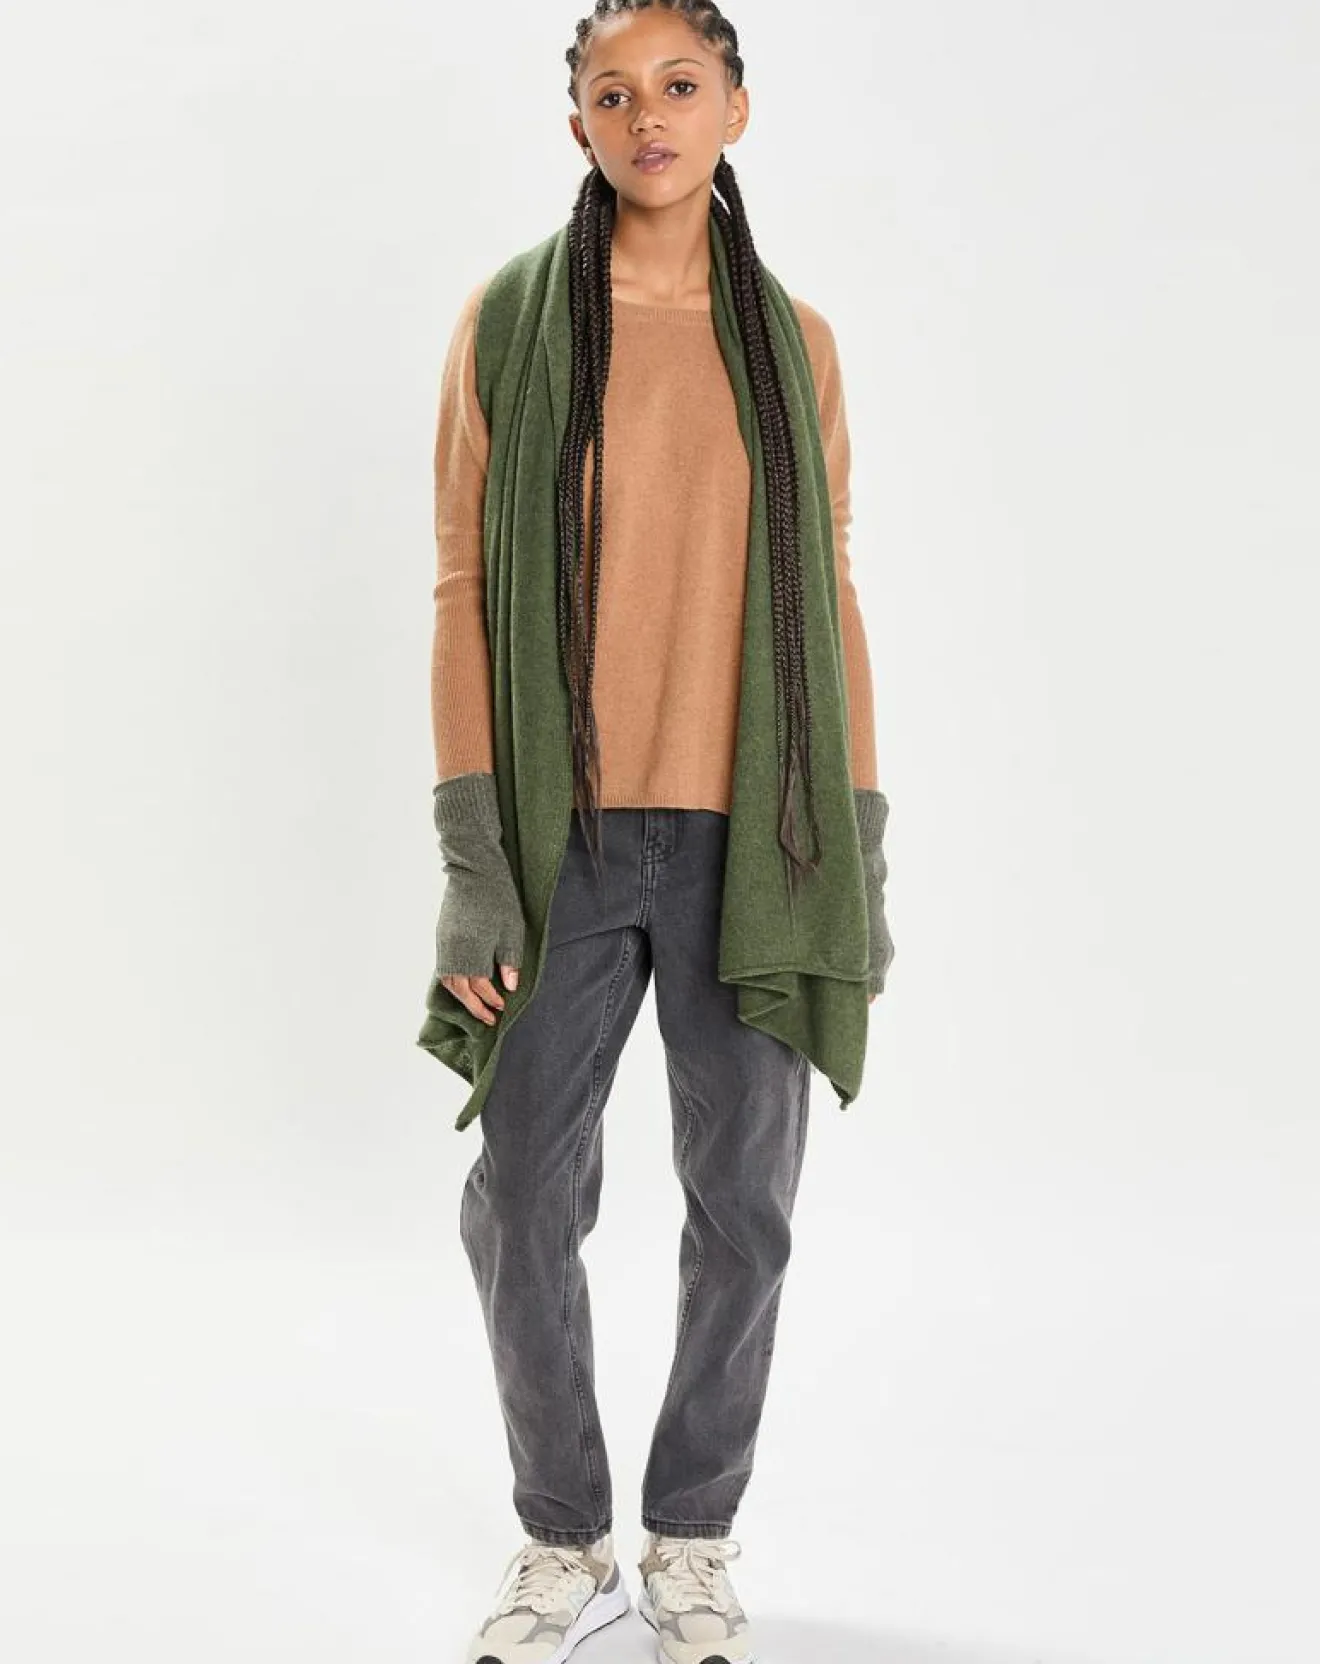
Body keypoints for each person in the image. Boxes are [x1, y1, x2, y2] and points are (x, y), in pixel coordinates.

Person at [419, 4, 895, 1660]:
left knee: (744, 1207)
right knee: (522, 1197)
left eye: (681, 86)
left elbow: (831, 589)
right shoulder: (510, 322)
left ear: (735, 110)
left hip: (756, 841)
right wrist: (474, 862)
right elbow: (464, 590)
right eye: (612, 93)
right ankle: (563, 1534)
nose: (649, 117)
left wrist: (860, 846)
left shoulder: (796, 343)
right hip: (556, 841)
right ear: (579, 127)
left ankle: (691, 1532)